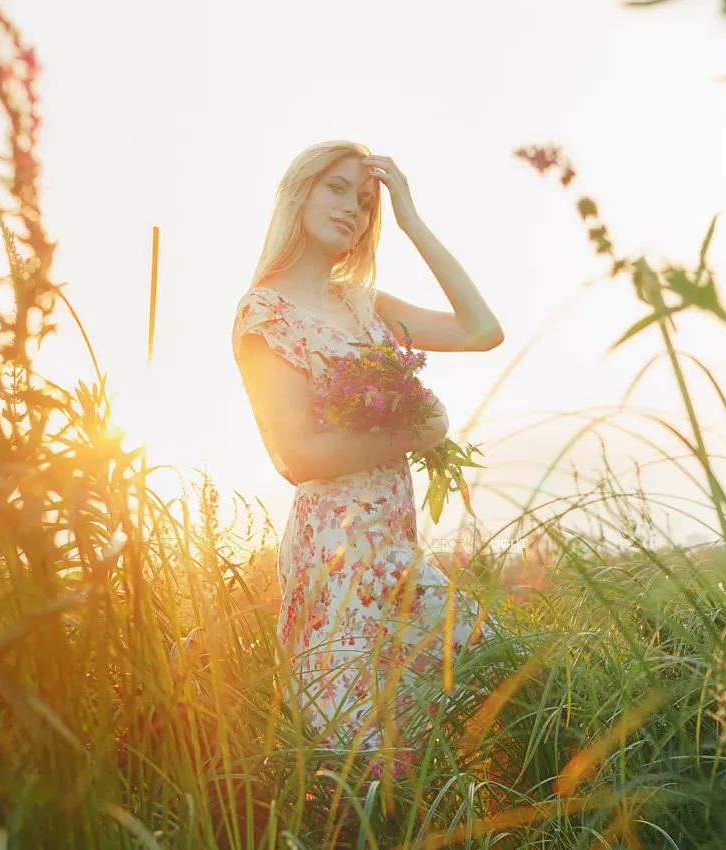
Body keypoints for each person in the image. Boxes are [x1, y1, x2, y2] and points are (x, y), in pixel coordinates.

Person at [230, 141, 504, 781]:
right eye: (337, 188)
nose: (352, 209)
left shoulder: (364, 304)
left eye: (365, 201)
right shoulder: (263, 313)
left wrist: (410, 221)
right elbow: (297, 455)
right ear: (299, 192)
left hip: (393, 546)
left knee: (492, 675)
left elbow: (481, 330)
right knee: (365, 761)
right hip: (337, 554)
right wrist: (421, 430)